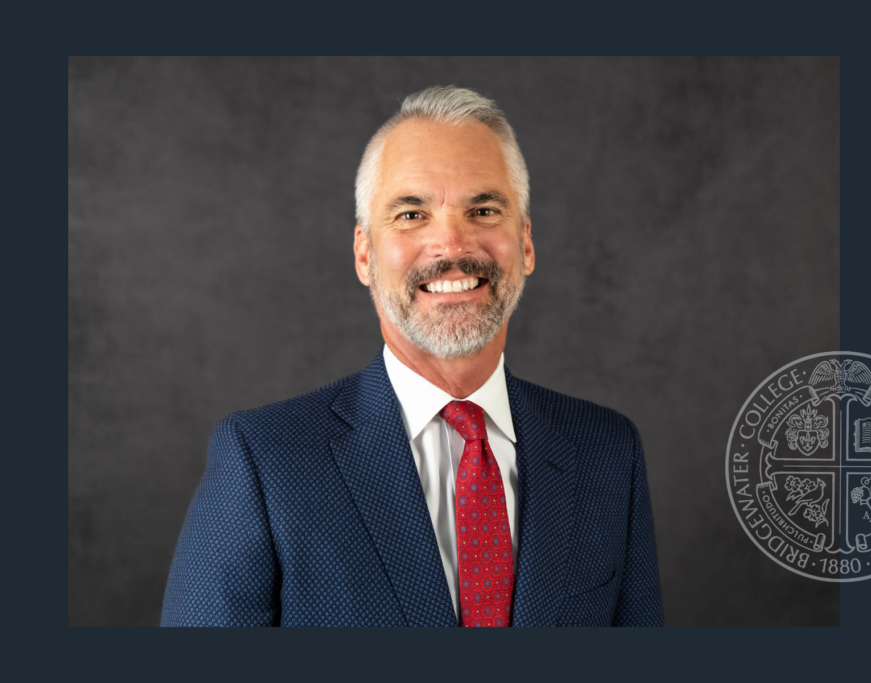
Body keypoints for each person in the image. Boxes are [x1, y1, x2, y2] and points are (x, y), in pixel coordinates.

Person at [161, 86, 663, 627]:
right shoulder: (264, 460)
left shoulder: (607, 454)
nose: (451, 244)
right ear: (364, 254)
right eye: (410, 214)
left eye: (484, 209)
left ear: (526, 245)